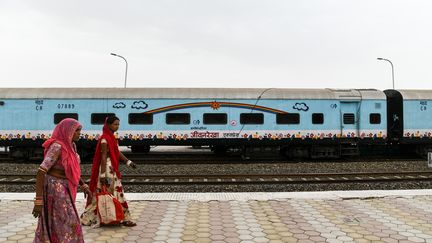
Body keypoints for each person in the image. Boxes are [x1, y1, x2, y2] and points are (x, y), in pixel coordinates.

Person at [32, 118, 90, 243]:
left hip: (65, 188)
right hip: (55, 190)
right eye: (76, 131)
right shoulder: (57, 147)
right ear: (67, 131)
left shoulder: (71, 146)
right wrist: (38, 201)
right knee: (66, 222)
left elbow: (71, 170)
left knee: (65, 222)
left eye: (79, 130)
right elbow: (41, 171)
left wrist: (83, 184)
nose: (79, 133)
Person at [81, 116, 137, 227]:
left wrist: (128, 162)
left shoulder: (110, 137)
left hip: (110, 169)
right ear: (108, 125)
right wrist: (102, 175)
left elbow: (116, 152)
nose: (117, 126)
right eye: (115, 124)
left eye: (118, 124)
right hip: (107, 170)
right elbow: (103, 157)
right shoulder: (105, 139)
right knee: (115, 192)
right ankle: (124, 218)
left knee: (106, 193)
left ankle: (90, 218)